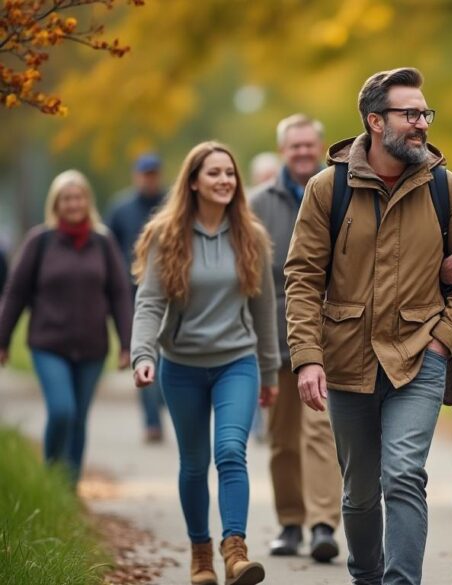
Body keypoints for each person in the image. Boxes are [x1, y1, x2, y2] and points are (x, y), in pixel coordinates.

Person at [284, 67, 452, 585]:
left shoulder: (446, 188)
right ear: (375, 121)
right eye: (410, 113)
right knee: (358, 488)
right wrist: (307, 357)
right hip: (347, 358)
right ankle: (367, 576)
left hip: (419, 355)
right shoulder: (327, 188)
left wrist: (446, 340)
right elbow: (303, 276)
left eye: (425, 113)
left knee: (403, 475)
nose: (422, 123)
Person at [131, 141, 279, 585]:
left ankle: (235, 550)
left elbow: (263, 310)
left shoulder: (250, 236)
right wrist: (142, 354)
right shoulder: (166, 235)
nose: (224, 181)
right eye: (213, 173)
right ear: (193, 181)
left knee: (231, 452)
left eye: (229, 173)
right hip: (182, 367)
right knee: (194, 464)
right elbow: (150, 302)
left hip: (236, 361)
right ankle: (200, 555)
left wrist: (269, 371)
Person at [0, 170, 132, 488]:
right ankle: (50, 476)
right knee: (62, 411)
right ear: (56, 204)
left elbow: (119, 293)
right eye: (66, 198)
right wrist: (2, 339)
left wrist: (127, 344)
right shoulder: (40, 241)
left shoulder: (103, 243)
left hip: (92, 347)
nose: (73, 203)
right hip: (49, 344)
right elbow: (16, 292)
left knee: (79, 419)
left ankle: (68, 490)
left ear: (88, 201)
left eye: (79, 197)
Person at [249, 114, 343, 563]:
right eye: (294, 146)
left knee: (321, 431)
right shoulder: (257, 204)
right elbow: (248, 276)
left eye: (309, 145)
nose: (303, 153)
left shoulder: (341, 191)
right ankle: (290, 523)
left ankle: (324, 524)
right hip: (275, 334)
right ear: (283, 150)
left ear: (320, 146)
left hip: (332, 335)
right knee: (282, 435)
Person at [107, 153, 168, 444]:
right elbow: (108, 248)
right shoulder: (121, 209)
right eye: (144, 173)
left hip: (171, 292)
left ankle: (162, 402)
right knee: (146, 354)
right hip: (131, 296)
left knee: (167, 355)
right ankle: (152, 422)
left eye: (153, 173)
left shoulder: (171, 204)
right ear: (136, 175)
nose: (149, 178)